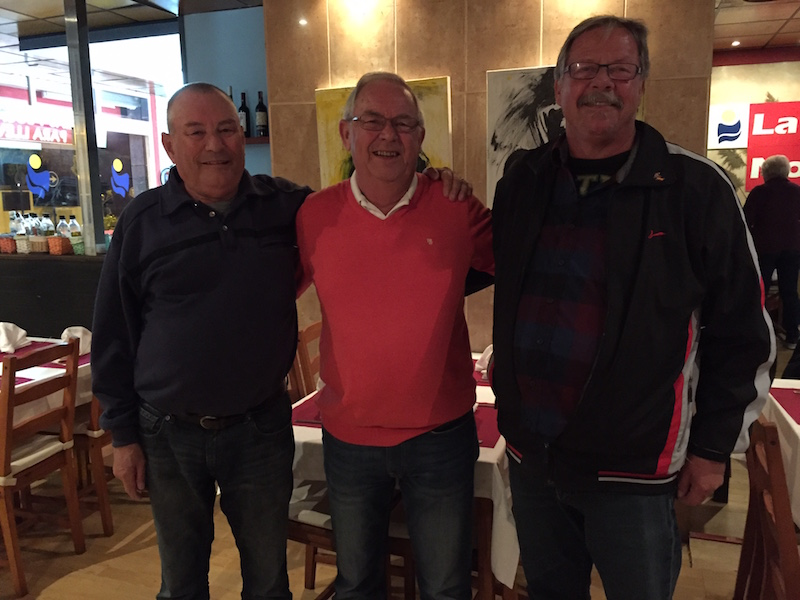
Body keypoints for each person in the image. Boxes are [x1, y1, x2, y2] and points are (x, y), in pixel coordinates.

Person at [91, 82, 470, 600]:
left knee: (269, 583)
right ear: (169, 145)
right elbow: (113, 333)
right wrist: (122, 435)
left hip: (259, 430)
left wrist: (435, 182)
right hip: (168, 432)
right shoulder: (141, 222)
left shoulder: (286, 207)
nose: (214, 144)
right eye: (196, 132)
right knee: (180, 584)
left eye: (226, 129)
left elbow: (367, 201)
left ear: (241, 135)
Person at [490, 16, 774, 600]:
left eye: (620, 69)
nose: (602, 82)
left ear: (641, 82)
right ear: (559, 86)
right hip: (533, 456)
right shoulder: (523, 180)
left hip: (635, 469)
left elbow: (744, 334)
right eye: (584, 69)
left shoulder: (695, 189)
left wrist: (712, 450)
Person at [295, 72, 494, 600]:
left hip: (440, 437)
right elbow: (267, 296)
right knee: (358, 585)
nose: (388, 134)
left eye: (404, 123)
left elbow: (523, 269)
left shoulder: (456, 208)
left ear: (420, 137)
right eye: (373, 121)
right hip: (349, 437)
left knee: (446, 587)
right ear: (346, 133)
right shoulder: (314, 216)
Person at [744, 154, 800, 350]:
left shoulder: (759, 192)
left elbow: (745, 221)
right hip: (792, 248)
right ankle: (792, 336)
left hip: (765, 248)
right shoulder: (797, 192)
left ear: (765, 173)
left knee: (760, 290)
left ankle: (759, 334)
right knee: (789, 292)